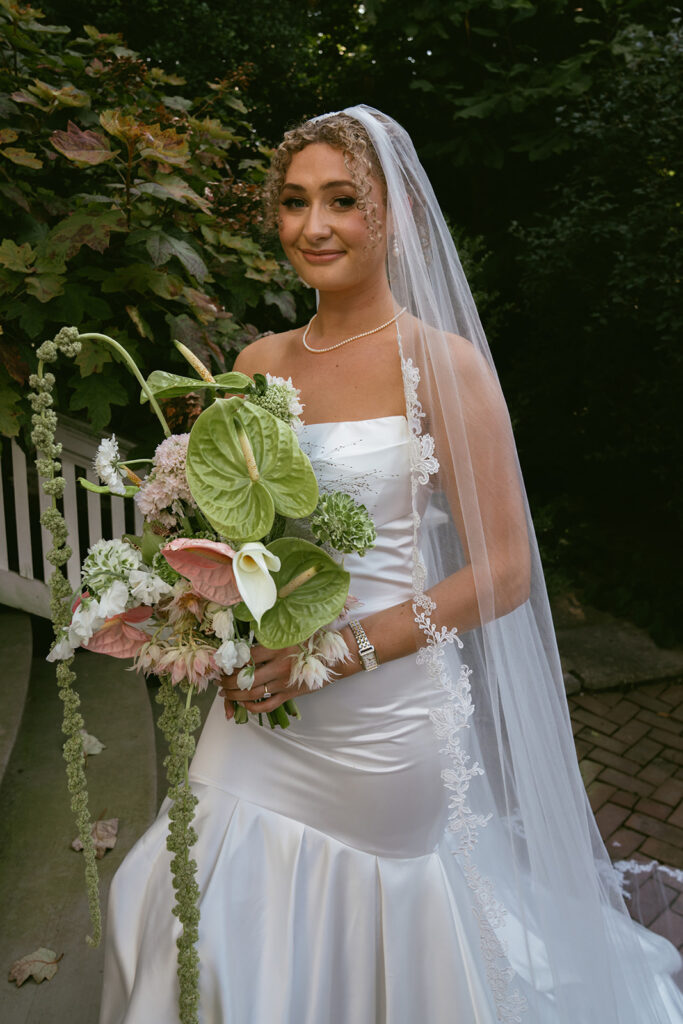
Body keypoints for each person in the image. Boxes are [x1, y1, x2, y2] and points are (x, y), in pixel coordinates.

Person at [99, 107, 683, 1023]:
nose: (313, 226)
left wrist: (332, 654)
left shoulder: (440, 365)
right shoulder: (255, 362)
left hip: (378, 725)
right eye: (293, 202)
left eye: (343, 200)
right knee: (179, 915)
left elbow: (501, 571)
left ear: (396, 216)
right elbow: (232, 534)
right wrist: (196, 612)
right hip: (255, 712)